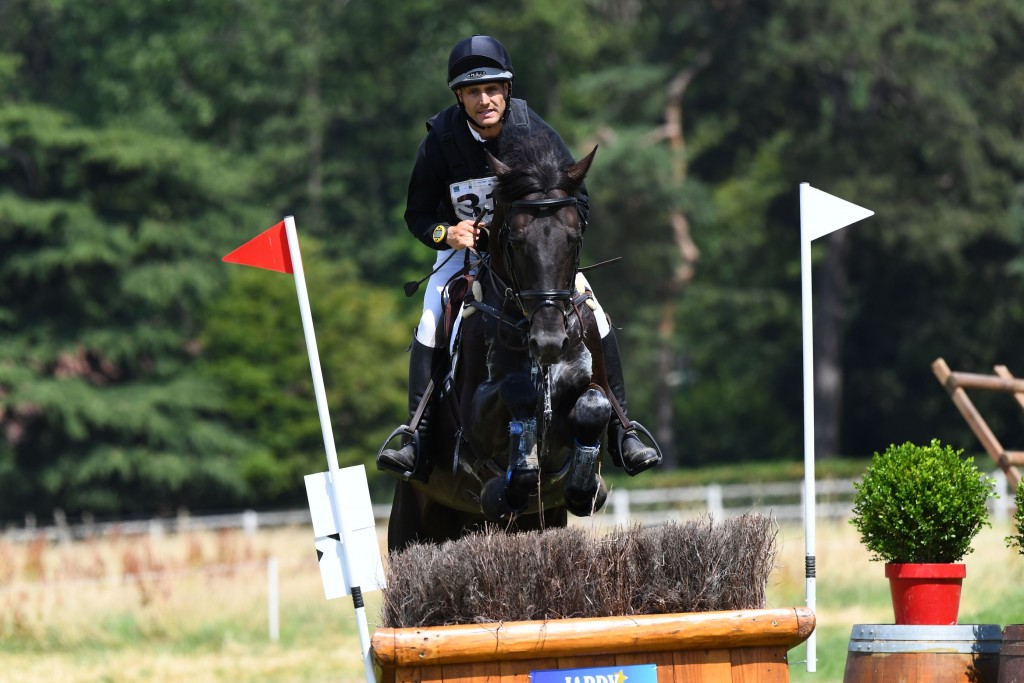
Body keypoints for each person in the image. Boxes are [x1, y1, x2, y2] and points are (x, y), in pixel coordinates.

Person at [377, 34, 661, 480]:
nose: (484, 100)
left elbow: (578, 200)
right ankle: (415, 433)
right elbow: (416, 213)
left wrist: (550, 238)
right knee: (433, 316)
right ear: (459, 97)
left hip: (533, 260)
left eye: (492, 89)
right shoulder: (439, 141)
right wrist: (445, 233)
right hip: (465, 255)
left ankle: (624, 431)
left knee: (597, 315)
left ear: (506, 90)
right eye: (473, 92)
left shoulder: (536, 133)